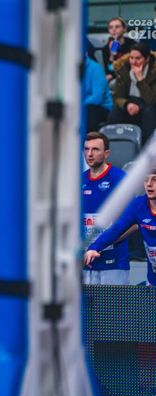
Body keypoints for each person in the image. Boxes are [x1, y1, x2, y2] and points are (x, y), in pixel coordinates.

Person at [85, 170, 156, 286]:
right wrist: (94, 247)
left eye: (154, 180)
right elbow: (116, 229)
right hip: (153, 280)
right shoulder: (138, 205)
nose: (149, 184)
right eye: (146, 179)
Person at [82, 132, 129, 284]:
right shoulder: (80, 180)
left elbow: (133, 222)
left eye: (95, 149)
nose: (90, 154)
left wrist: (103, 243)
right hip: (85, 263)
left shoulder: (119, 178)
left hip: (113, 264)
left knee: (113, 302)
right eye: (87, 149)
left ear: (107, 153)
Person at [107, 42, 156, 145]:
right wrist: (127, 104)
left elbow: (151, 100)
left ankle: (146, 149)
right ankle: (111, 145)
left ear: (147, 59)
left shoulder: (154, 71)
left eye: (138, 58)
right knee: (115, 112)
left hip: (149, 105)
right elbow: (117, 97)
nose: (134, 62)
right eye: (131, 58)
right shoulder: (123, 69)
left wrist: (140, 79)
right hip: (130, 103)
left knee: (149, 113)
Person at [102, 17, 136, 83]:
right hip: (117, 78)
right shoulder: (106, 48)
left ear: (124, 29)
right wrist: (112, 55)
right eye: (111, 27)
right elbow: (109, 71)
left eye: (117, 27)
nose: (114, 30)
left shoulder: (132, 45)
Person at [84, 55, 113, 132]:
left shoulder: (95, 69)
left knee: (89, 111)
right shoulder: (71, 69)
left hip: (102, 108)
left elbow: (96, 99)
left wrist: (79, 105)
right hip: (85, 105)